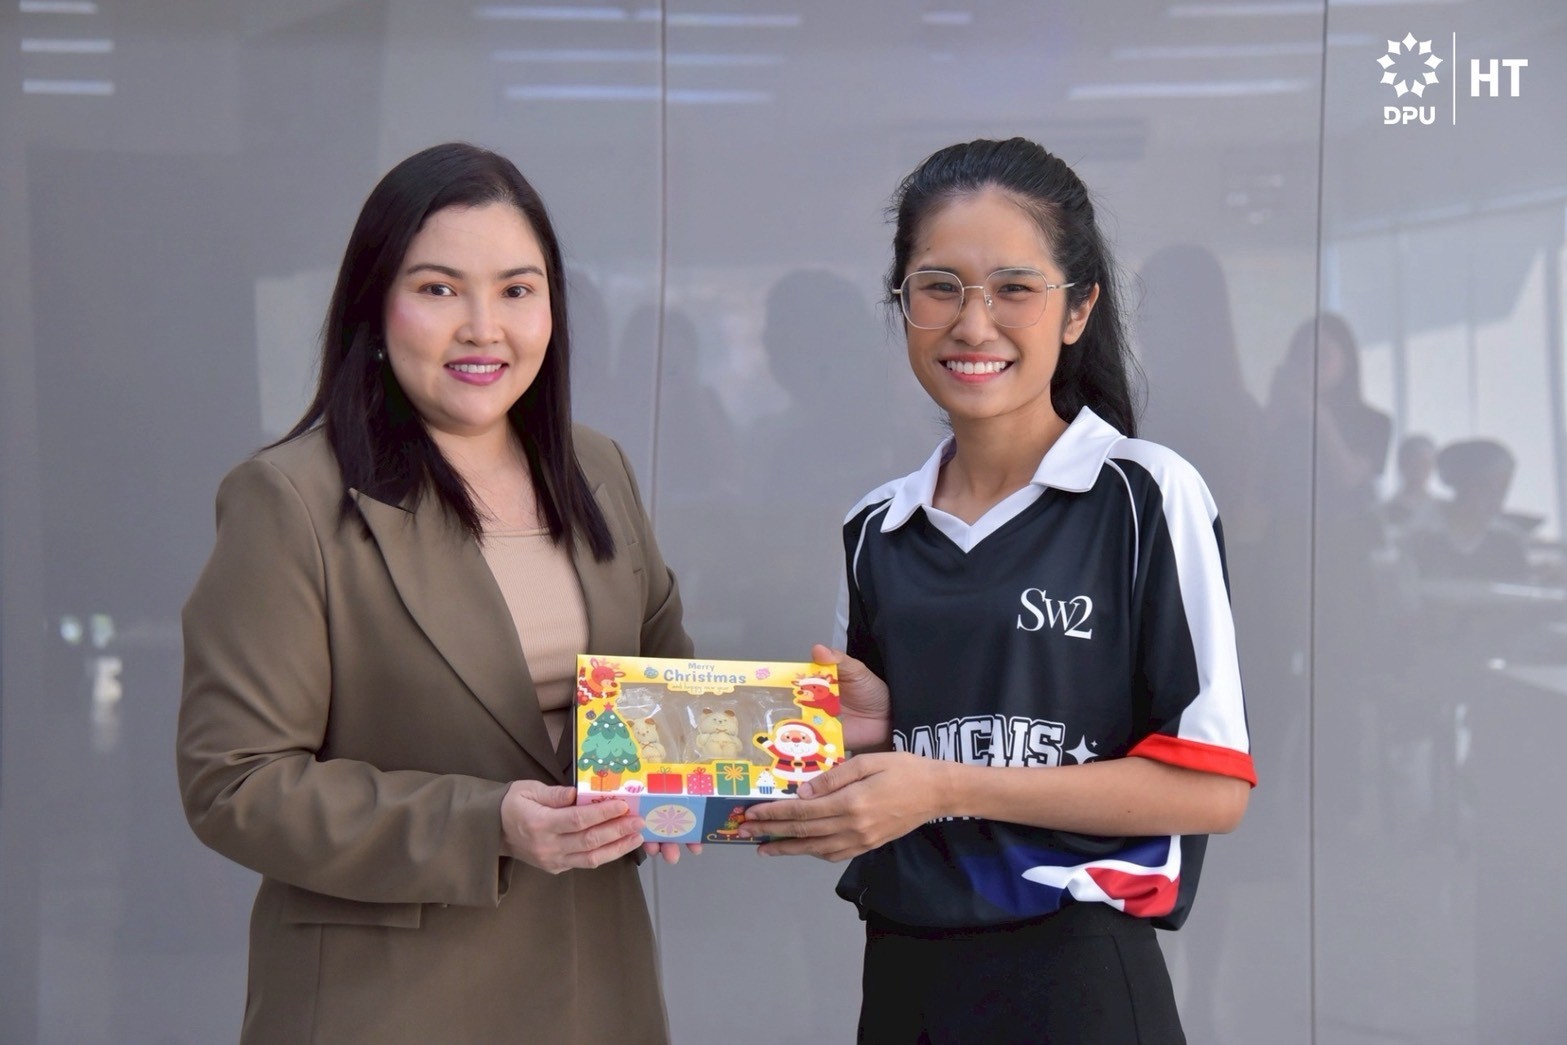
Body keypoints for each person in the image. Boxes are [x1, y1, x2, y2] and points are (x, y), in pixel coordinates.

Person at [739, 137, 1255, 1043]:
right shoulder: (875, 527)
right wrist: (874, 735)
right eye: (939, 287)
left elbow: (1209, 791)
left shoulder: (1144, 494)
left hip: (1074, 975)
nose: (973, 324)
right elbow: (897, 775)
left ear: (1077, 308)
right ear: (901, 303)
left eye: (1014, 288)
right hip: (903, 973)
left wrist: (938, 783)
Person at [176, 143, 693, 1044]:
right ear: (375, 308)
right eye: (439, 288)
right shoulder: (290, 499)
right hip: (388, 1002)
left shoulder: (595, 468)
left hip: (594, 988)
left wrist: (783, 744)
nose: (483, 328)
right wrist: (486, 822)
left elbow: (662, 692)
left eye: (517, 289)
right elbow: (236, 783)